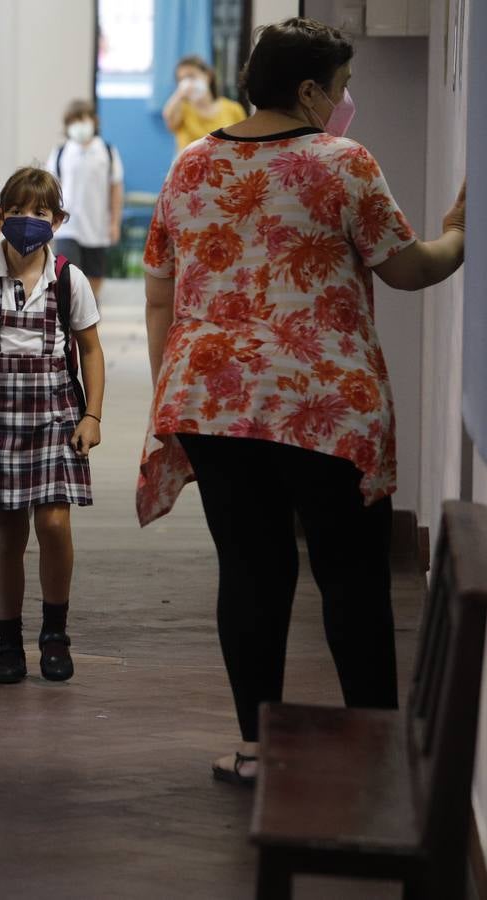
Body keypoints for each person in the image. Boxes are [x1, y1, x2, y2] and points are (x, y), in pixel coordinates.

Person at [138, 17, 467, 786]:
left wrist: (173, 385)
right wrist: (460, 234)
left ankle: (256, 748)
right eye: (343, 87)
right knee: (351, 577)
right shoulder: (342, 161)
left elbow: (160, 292)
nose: (345, 102)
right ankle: (374, 746)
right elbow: (409, 269)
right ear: (311, 88)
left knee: (250, 574)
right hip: (323, 406)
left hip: (212, 400)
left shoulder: (190, 165)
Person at [0, 168, 106, 684]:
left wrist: (93, 415)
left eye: (41, 212)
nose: (28, 221)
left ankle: (55, 634)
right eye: (18, 210)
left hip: (57, 417)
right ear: (0, 216)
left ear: (58, 220)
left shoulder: (68, 279)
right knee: (8, 534)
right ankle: (11, 642)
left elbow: (90, 349)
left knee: (55, 524)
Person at [45, 100, 125, 300]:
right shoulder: (61, 152)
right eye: (73, 121)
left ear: (93, 121)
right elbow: (50, 188)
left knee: (94, 275)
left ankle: (89, 309)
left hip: (97, 226)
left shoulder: (106, 151)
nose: (79, 125)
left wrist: (115, 222)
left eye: (83, 119)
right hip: (68, 225)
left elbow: (116, 188)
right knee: (66, 273)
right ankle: (68, 316)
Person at [162, 54, 247, 151]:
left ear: (208, 76)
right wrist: (179, 94)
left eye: (191, 76)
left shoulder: (233, 108)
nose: (187, 83)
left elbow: (243, 143)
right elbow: (169, 120)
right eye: (181, 79)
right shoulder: (182, 109)